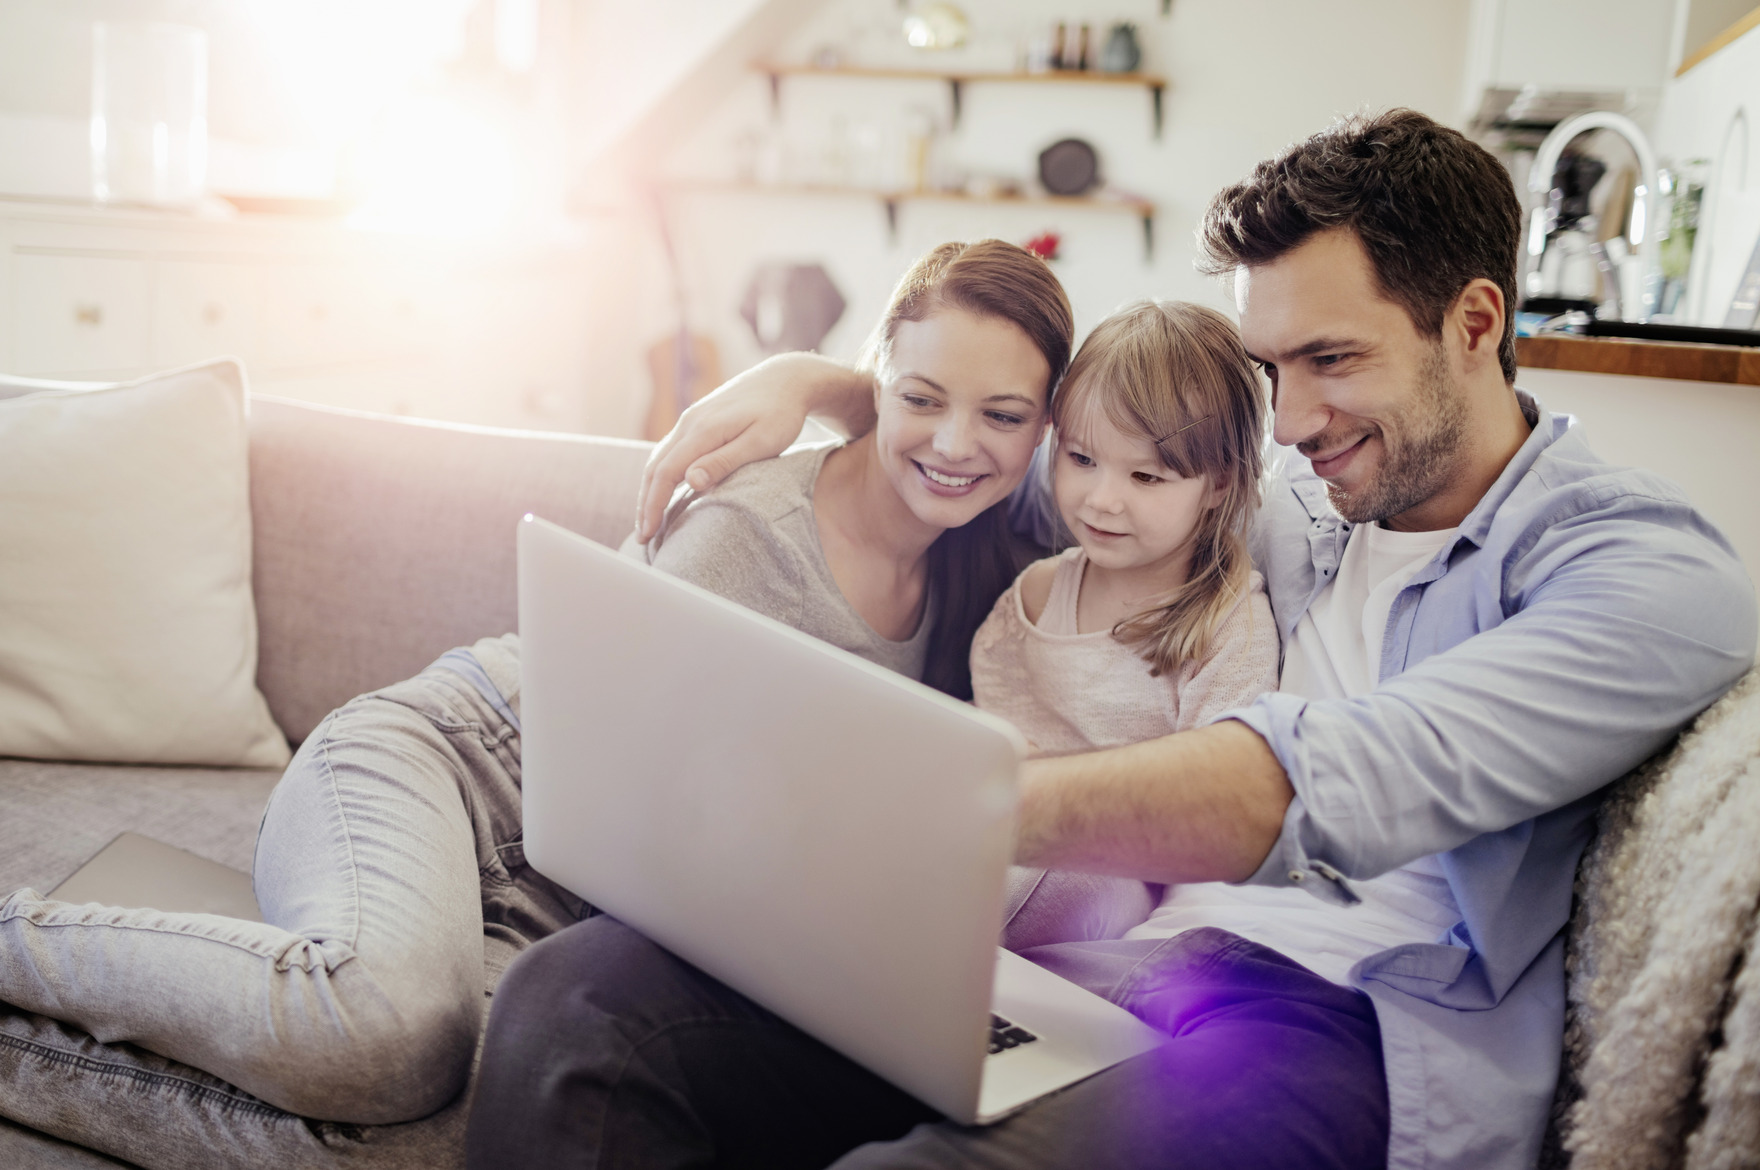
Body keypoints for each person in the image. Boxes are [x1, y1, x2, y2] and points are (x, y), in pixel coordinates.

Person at [462, 109, 1758, 1170]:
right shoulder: (1284, 494)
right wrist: (825, 381)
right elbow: (1005, 453)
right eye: (1268, 369)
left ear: (1474, 324)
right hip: (1113, 971)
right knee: (580, 1000)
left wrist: (925, 811)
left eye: (1330, 359)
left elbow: (1330, 775)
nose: (1293, 417)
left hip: (1346, 1030)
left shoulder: (1642, 572)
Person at [0, 239, 1071, 1170]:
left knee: (455, 1142)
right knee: (390, 1033)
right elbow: (630, 801)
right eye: (918, 398)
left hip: (570, 896)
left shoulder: (998, 560)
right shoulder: (752, 533)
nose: (952, 441)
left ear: (1042, 431)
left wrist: (822, 383)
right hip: (460, 768)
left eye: (1001, 415)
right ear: (876, 377)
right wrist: (820, 382)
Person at [984, 299, 1279, 949]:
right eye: (1081, 459)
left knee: (1089, 889)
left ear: (1221, 484)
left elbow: (1220, 807)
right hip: (994, 860)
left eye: (1146, 475)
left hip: (1118, 893)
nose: (1101, 499)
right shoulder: (1035, 597)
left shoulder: (1229, 627)